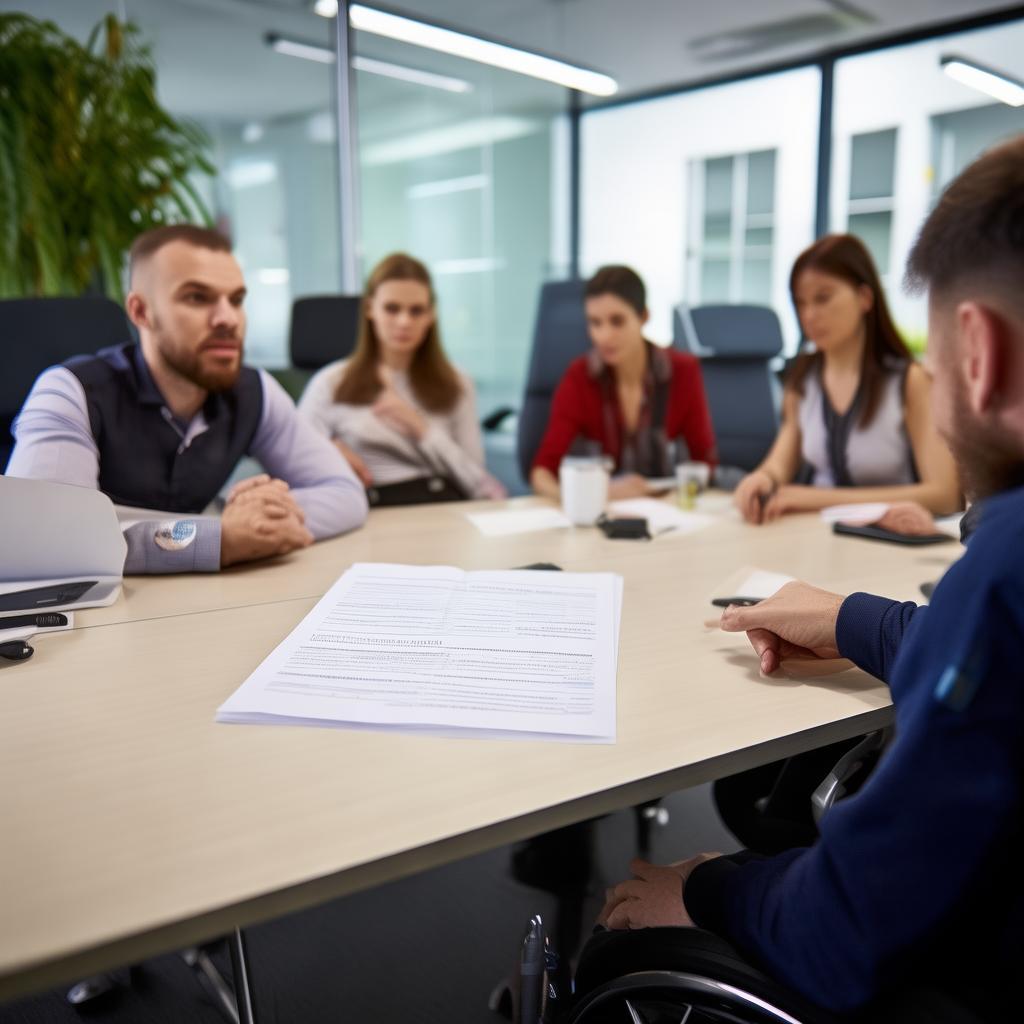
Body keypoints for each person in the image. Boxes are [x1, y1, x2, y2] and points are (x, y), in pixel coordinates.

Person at [597, 137, 1024, 1022]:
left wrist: (714, 885)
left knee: (614, 943)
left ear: (977, 354)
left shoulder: (1006, 572)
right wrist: (852, 618)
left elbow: (846, 923)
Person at [7, 225, 367, 573]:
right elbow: (46, 542)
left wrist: (253, 518)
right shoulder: (71, 391)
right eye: (198, 297)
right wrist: (213, 538)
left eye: (237, 300)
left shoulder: (255, 390)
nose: (228, 318)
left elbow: (345, 494)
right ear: (141, 312)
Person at [733, 234, 961, 524]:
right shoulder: (802, 379)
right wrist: (763, 479)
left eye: (823, 298)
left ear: (865, 298)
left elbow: (945, 495)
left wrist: (814, 498)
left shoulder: (910, 381)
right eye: (800, 303)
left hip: (890, 542)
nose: (810, 315)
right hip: (813, 536)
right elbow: (780, 463)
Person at [298, 252, 505, 504]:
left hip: (441, 510)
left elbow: (478, 483)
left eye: (416, 311)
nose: (404, 321)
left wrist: (421, 428)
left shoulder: (457, 382)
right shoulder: (331, 382)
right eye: (392, 308)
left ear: (431, 315)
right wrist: (328, 453)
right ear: (369, 308)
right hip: (368, 513)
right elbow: (295, 464)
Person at [530, 265, 716, 502]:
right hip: (600, 516)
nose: (604, 336)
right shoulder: (579, 378)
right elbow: (541, 473)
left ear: (643, 317)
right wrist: (591, 496)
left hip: (667, 511)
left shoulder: (683, 372)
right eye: (595, 323)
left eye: (617, 321)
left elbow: (704, 464)